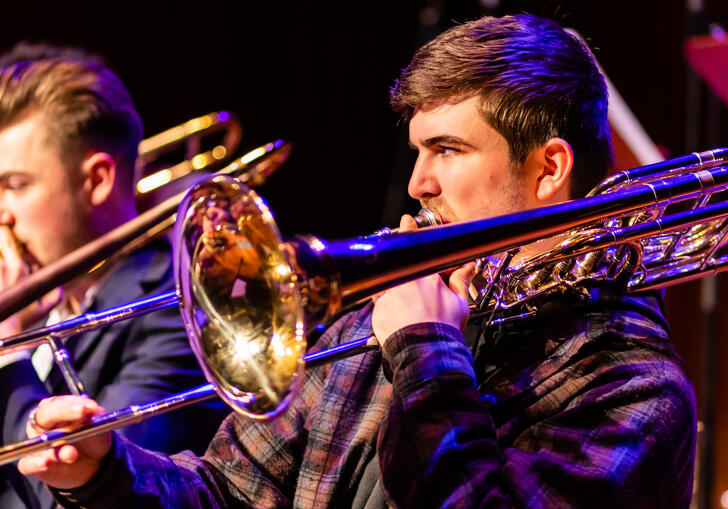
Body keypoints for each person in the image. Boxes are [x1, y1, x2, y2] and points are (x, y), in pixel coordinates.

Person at [18, 14, 696, 508]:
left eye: (449, 150)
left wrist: (424, 349)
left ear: (549, 167)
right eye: (418, 151)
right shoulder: (372, 323)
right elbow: (228, 492)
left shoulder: (634, 388)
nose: (417, 184)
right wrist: (105, 472)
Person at [0, 45, 229, 508]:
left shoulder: (180, 311)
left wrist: (8, 350)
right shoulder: (37, 303)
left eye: (15, 185)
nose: (0, 214)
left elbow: (85, 492)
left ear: (98, 180)